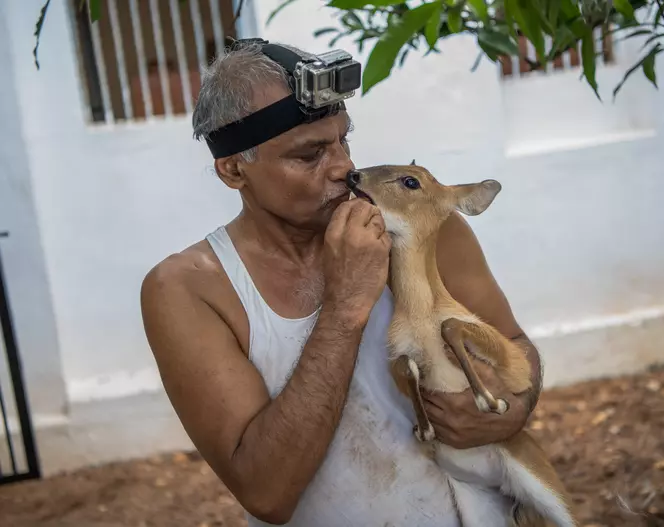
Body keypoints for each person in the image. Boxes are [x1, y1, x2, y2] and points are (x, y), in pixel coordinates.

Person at [140, 39, 544, 527]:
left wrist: (515, 409)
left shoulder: (421, 226)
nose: (344, 167)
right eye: (309, 155)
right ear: (233, 169)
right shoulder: (189, 290)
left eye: (343, 141)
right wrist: (346, 304)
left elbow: (516, 346)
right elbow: (265, 491)